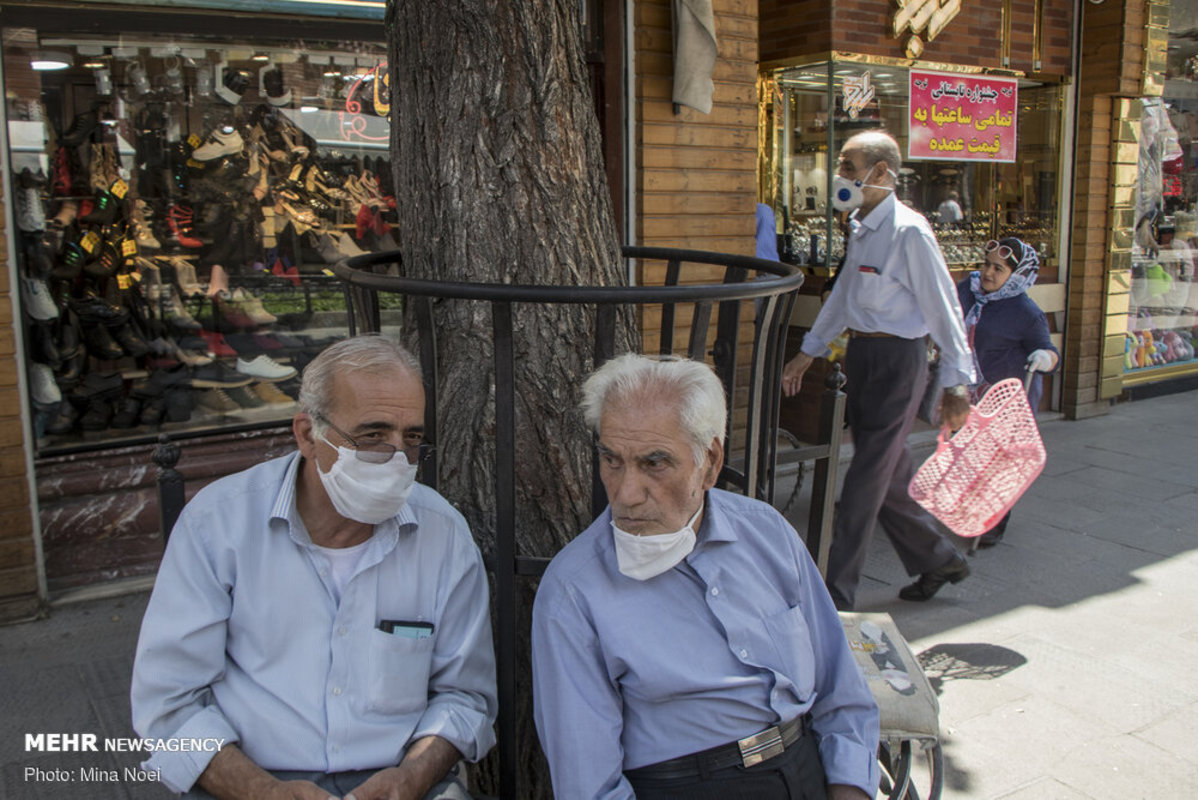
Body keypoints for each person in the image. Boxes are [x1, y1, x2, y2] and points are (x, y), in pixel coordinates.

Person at [131, 335, 497, 800]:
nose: (397, 461)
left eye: (412, 439)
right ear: (308, 435)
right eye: (372, 436)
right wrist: (261, 790)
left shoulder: (442, 534)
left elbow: (465, 697)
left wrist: (412, 778)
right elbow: (169, 701)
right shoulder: (219, 524)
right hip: (246, 780)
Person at [532, 354, 879, 800]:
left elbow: (841, 690)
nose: (625, 493)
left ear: (710, 462)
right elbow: (589, 786)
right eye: (612, 460)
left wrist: (852, 788)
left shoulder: (765, 533)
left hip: (806, 767)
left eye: (655, 463)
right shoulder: (575, 590)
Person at [779, 130, 975, 610]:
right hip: (862, 357)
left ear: (882, 173)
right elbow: (844, 296)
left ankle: (835, 593)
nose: (840, 176)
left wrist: (957, 381)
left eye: (849, 167)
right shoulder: (862, 226)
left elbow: (944, 309)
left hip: (899, 363)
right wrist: (810, 351)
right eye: (842, 166)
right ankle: (940, 559)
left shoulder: (910, 232)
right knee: (886, 476)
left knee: (864, 479)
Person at [958, 237, 1059, 547]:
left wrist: (1043, 358)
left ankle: (993, 522)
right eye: (985, 264)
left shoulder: (1026, 312)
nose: (987, 272)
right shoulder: (968, 290)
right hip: (970, 390)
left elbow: (1049, 352)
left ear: (1016, 275)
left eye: (997, 268)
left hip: (1005, 396)